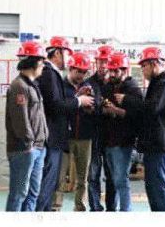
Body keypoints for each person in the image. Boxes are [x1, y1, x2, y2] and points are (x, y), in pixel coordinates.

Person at [116, 47, 165, 211]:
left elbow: (152, 108)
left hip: (161, 145)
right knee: (153, 188)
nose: (142, 70)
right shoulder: (158, 84)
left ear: (153, 64)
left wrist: (127, 100)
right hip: (155, 144)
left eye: (144, 66)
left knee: (160, 186)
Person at [35, 36, 94, 212]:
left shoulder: (52, 74)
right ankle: (47, 211)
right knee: (51, 181)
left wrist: (78, 98)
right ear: (59, 53)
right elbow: (55, 105)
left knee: (56, 180)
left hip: (69, 137)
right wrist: (78, 101)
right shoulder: (50, 74)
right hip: (55, 137)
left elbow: (57, 102)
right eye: (67, 54)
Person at [6, 40, 48, 211]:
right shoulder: (19, 86)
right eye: (43, 62)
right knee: (19, 194)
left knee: (32, 193)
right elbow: (20, 121)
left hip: (37, 148)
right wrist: (29, 144)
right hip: (24, 149)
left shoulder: (31, 85)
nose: (44, 66)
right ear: (35, 62)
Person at [101, 52, 142, 212]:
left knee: (120, 179)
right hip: (108, 141)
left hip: (123, 142)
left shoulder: (133, 89)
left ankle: (126, 212)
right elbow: (103, 107)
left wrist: (116, 110)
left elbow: (138, 116)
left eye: (116, 71)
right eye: (111, 70)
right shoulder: (108, 87)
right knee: (113, 180)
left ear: (125, 70)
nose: (112, 74)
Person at [65, 51, 97, 211]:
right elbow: (59, 107)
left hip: (85, 138)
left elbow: (94, 109)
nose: (81, 75)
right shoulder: (62, 86)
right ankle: (55, 208)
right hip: (65, 138)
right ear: (70, 68)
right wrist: (77, 99)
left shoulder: (89, 87)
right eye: (78, 71)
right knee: (59, 177)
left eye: (84, 72)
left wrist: (91, 106)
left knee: (82, 178)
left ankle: (80, 207)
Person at [86, 45, 116, 212]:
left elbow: (118, 107)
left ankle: (112, 208)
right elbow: (88, 105)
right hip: (95, 134)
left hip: (113, 136)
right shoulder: (89, 83)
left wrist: (101, 107)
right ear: (96, 62)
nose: (103, 65)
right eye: (100, 61)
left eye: (106, 62)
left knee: (112, 175)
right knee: (93, 175)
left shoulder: (116, 84)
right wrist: (103, 107)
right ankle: (95, 208)